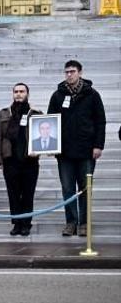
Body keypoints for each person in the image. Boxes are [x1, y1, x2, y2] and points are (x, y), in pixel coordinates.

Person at [47, 60, 106, 237]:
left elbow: (100, 122)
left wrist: (98, 145)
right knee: (67, 188)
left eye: (72, 71)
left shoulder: (92, 95)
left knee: (85, 188)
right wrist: (51, 145)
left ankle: (84, 222)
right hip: (64, 152)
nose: (69, 75)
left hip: (86, 151)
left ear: (80, 72)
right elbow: (50, 122)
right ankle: (71, 222)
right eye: (66, 72)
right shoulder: (57, 95)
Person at [0, 83, 42, 236]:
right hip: (10, 159)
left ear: (28, 93)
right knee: (13, 194)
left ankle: (26, 223)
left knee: (28, 194)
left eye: (22, 91)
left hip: (29, 160)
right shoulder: (4, 113)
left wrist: (38, 152)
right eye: (16, 92)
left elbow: (41, 135)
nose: (19, 94)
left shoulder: (35, 113)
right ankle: (16, 223)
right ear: (12, 94)